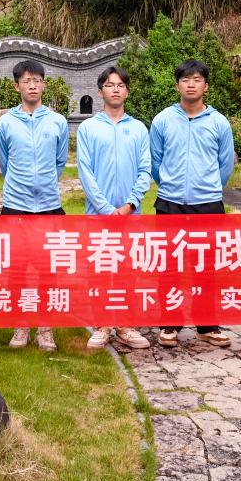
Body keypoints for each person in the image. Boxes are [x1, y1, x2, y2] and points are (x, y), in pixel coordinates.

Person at [149, 59, 236, 349]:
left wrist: (208, 187)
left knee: (207, 268)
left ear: (205, 86)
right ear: (177, 86)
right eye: (185, 80)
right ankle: (170, 325)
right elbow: (155, 161)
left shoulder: (219, 122)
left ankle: (207, 326)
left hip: (208, 205)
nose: (191, 84)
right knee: (169, 268)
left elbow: (225, 163)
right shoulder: (163, 120)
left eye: (197, 80)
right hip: (170, 204)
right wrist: (169, 184)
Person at [77, 66, 153, 350]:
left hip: (130, 214)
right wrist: (106, 208)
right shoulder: (88, 128)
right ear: (100, 92)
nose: (116, 89)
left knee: (128, 271)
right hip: (98, 215)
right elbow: (85, 172)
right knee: (99, 269)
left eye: (121, 85)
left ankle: (125, 326)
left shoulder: (138, 128)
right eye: (110, 85)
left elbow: (145, 170)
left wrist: (130, 204)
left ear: (127, 92)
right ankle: (102, 325)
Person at [0, 60, 69, 351]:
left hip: (49, 205)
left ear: (44, 85)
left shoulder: (57, 121)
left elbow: (60, 161)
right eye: (26, 81)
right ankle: (21, 325)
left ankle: (45, 328)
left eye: (37, 80)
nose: (32, 85)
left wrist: (46, 183)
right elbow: (5, 162)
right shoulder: (6, 123)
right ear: (17, 86)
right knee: (16, 269)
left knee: (48, 269)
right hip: (16, 205)